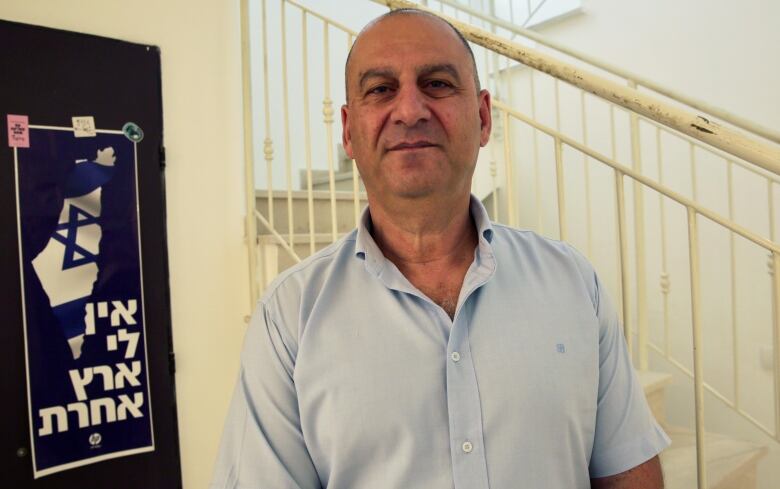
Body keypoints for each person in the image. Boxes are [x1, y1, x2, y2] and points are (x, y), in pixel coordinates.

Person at [211, 8, 670, 489]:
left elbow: (629, 474)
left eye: (437, 84)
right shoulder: (287, 320)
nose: (410, 110)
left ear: (484, 117)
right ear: (349, 130)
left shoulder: (573, 283)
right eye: (381, 89)